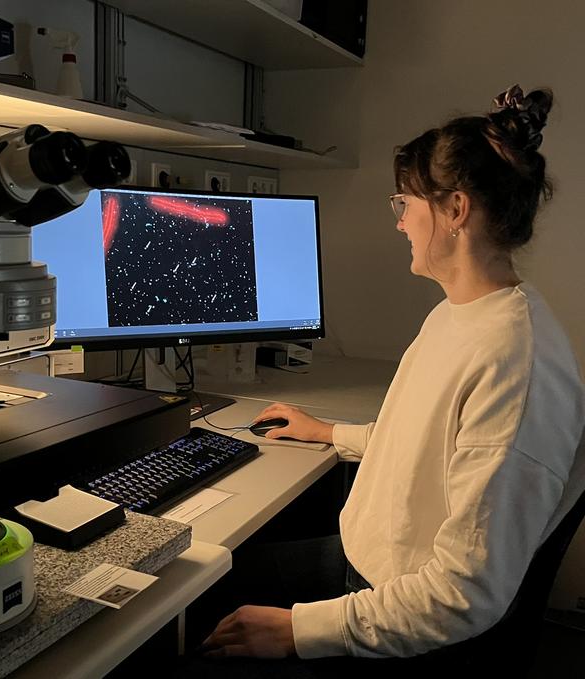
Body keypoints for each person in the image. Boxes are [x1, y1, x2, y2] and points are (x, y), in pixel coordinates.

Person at [185, 85, 585, 673]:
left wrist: (298, 630)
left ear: (455, 210)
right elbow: (430, 444)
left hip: (400, 608)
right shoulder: (462, 313)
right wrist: (330, 433)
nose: (399, 223)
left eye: (405, 203)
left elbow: (464, 595)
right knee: (194, 586)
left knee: (185, 614)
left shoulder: (514, 362)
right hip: (373, 564)